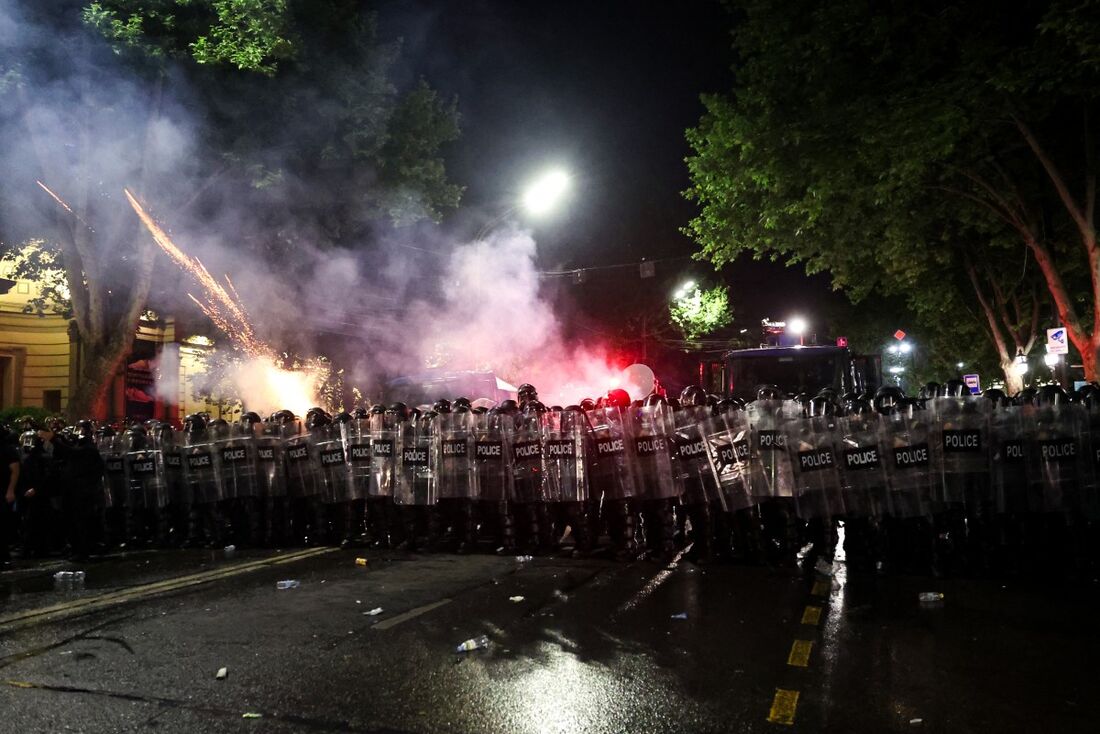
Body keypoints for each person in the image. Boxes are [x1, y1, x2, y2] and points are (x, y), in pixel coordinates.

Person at [1, 427, 19, 565]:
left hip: (4, 489)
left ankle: (3, 554)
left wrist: (10, 490)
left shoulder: (7, 449)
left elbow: (15, 471)